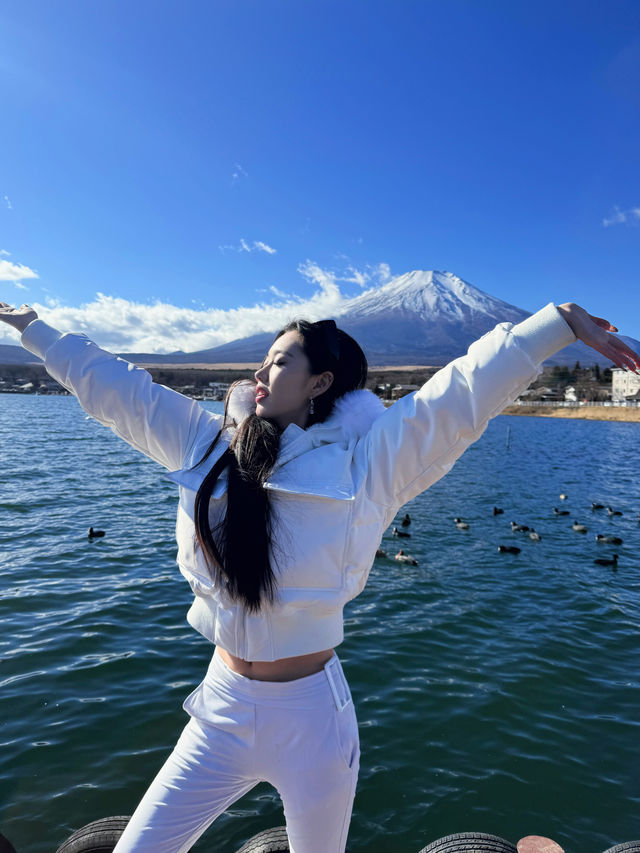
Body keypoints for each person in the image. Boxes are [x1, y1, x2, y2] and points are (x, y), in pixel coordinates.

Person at [1, 299, 639, 853]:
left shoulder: (366, 468)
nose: (259, 371)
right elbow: (115, 388)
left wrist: (554, 323)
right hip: (219, 710)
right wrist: (34, 329)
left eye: (279, 361)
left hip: (313, 722)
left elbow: (458, 397)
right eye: (263, 359)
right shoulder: (203, 445)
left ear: (319, 383)